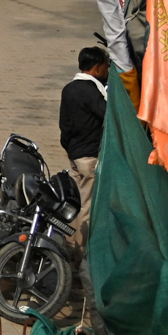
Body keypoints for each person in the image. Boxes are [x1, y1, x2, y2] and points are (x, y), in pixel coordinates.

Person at [60, 45, 109, 220]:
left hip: (74, 155)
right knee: (86, 208)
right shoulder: (92, 91)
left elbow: (64, 125)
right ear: (97, 67)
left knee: (74, 204)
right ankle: (81, 239)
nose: (108, 71)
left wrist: (71, 149)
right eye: (106, 66)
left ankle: (69, 236)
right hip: (89, 158)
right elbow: (108, 114)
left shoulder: (69, 89)